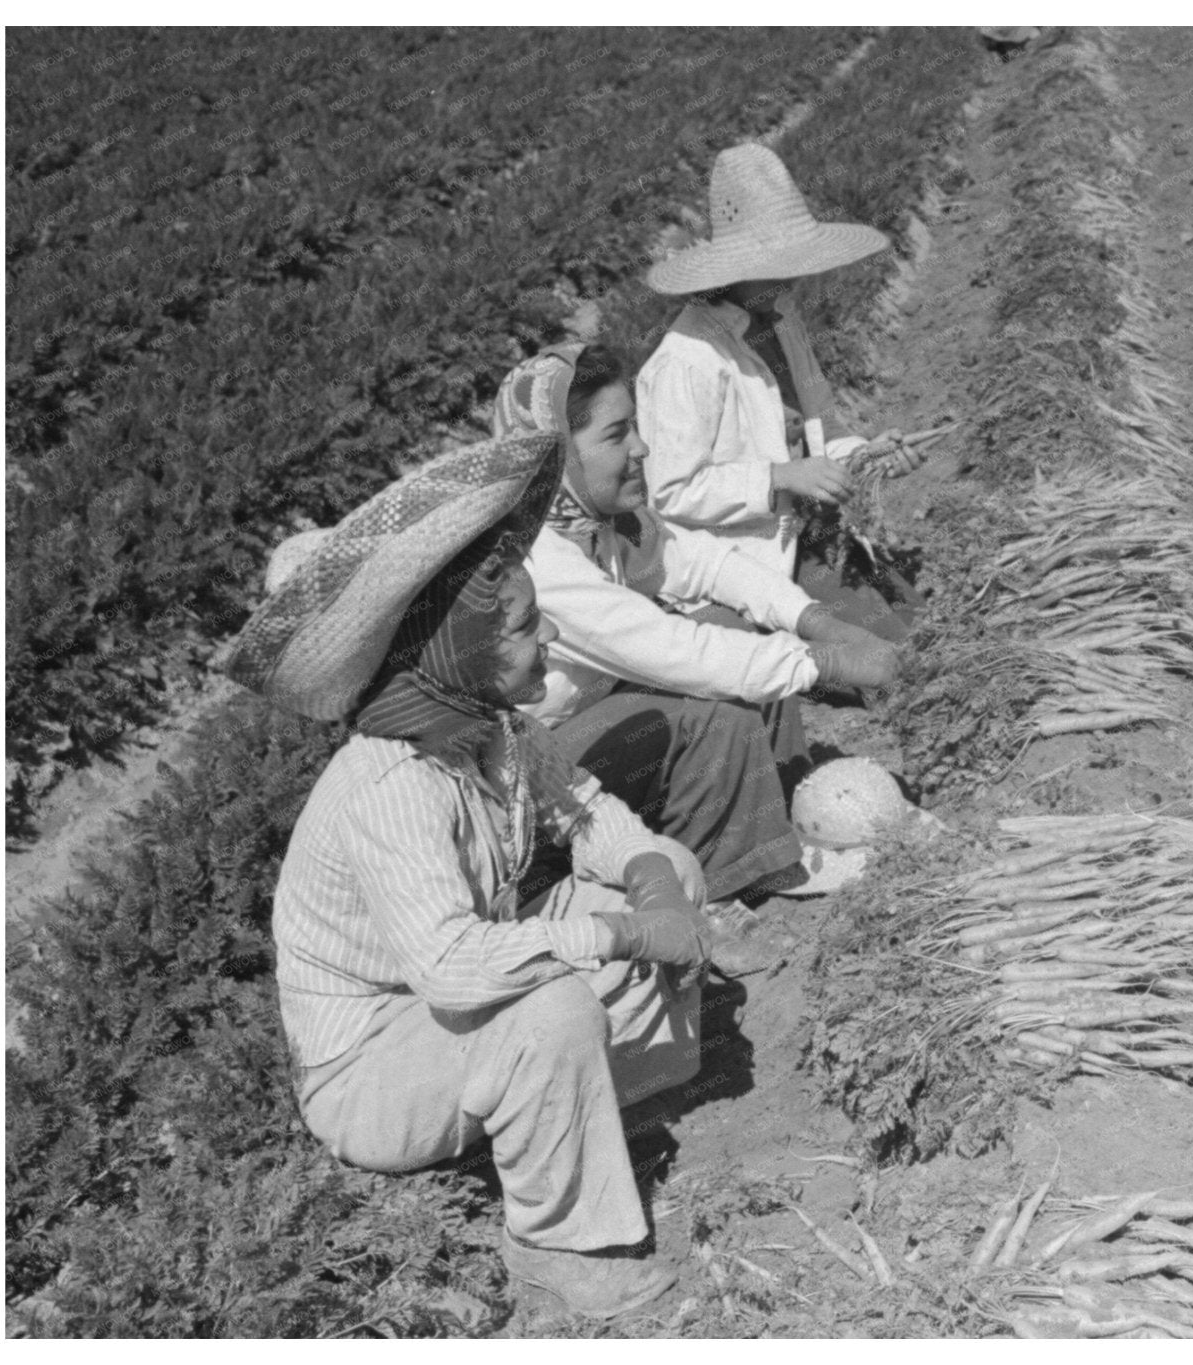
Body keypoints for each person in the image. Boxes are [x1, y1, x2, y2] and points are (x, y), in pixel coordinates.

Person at [224, 431, 710, 1319]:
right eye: (524, 625)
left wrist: (651, 877)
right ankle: (557, 1246)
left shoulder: (491, 727)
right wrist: (622, 931)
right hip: (374, 1063)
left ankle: (592, 1115)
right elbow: (451, 967)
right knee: (551, 1005)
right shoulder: (392, 783)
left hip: (446, 1003)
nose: (548, 634)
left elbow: (587, 810)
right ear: (462, 647)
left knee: (669, 865)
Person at [493, 343, 897, 930]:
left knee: (743, 630)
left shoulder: (599, 522)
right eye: (616, 436)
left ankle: (774, 805)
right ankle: (720, 887)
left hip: (606, 725)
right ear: (557, 459)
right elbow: (673, 652)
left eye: (634, 427)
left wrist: (813, 620)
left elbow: (705, 563)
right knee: (716, 705)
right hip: (543, 787)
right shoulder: (541, 560)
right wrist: (828, 664)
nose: (641, 448)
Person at [638, 141, 918, 642]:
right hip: (745, 564)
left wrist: (868, 454)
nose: (794, 279)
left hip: (810, 538)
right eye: (781, 267)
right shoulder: (686, 361)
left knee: (920, 625)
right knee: (893, 661)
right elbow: (671, 491)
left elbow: (822, 428)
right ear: (736, 271)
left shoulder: (781, 321)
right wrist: (781, 477)